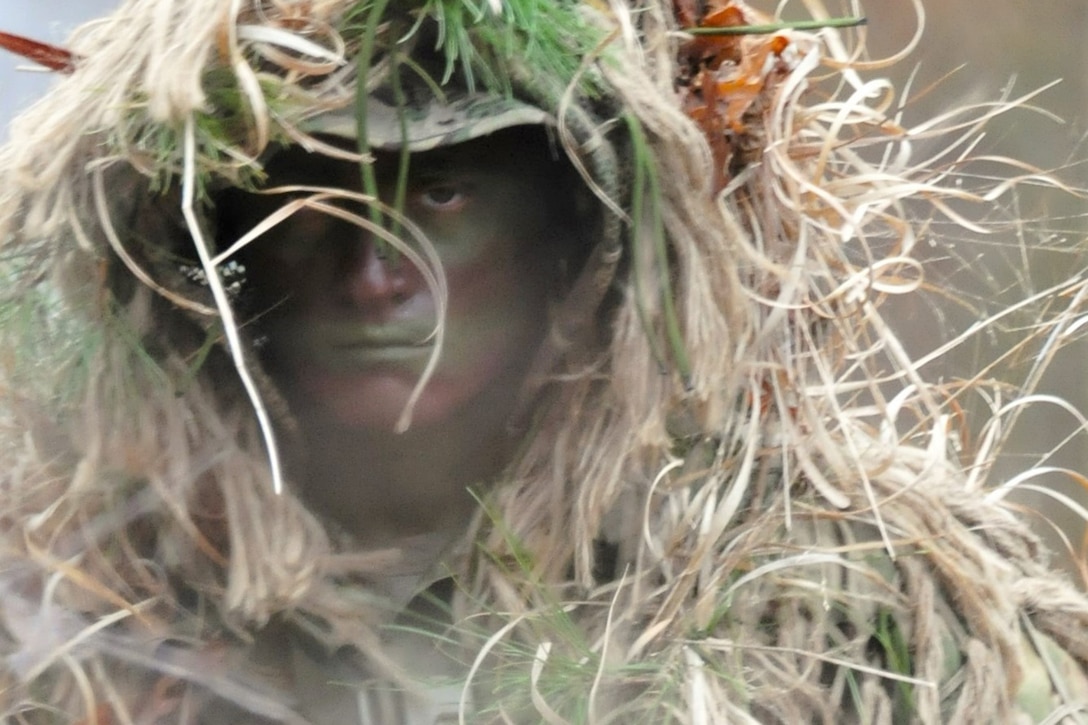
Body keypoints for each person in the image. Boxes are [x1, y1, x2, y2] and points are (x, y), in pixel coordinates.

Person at [1, 1, 1087, 723]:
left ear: (572, 243)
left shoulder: (841, 601)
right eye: (308, 198)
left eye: (441, 194)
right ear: (205, 250)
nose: (377, 274)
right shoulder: (74, 610)